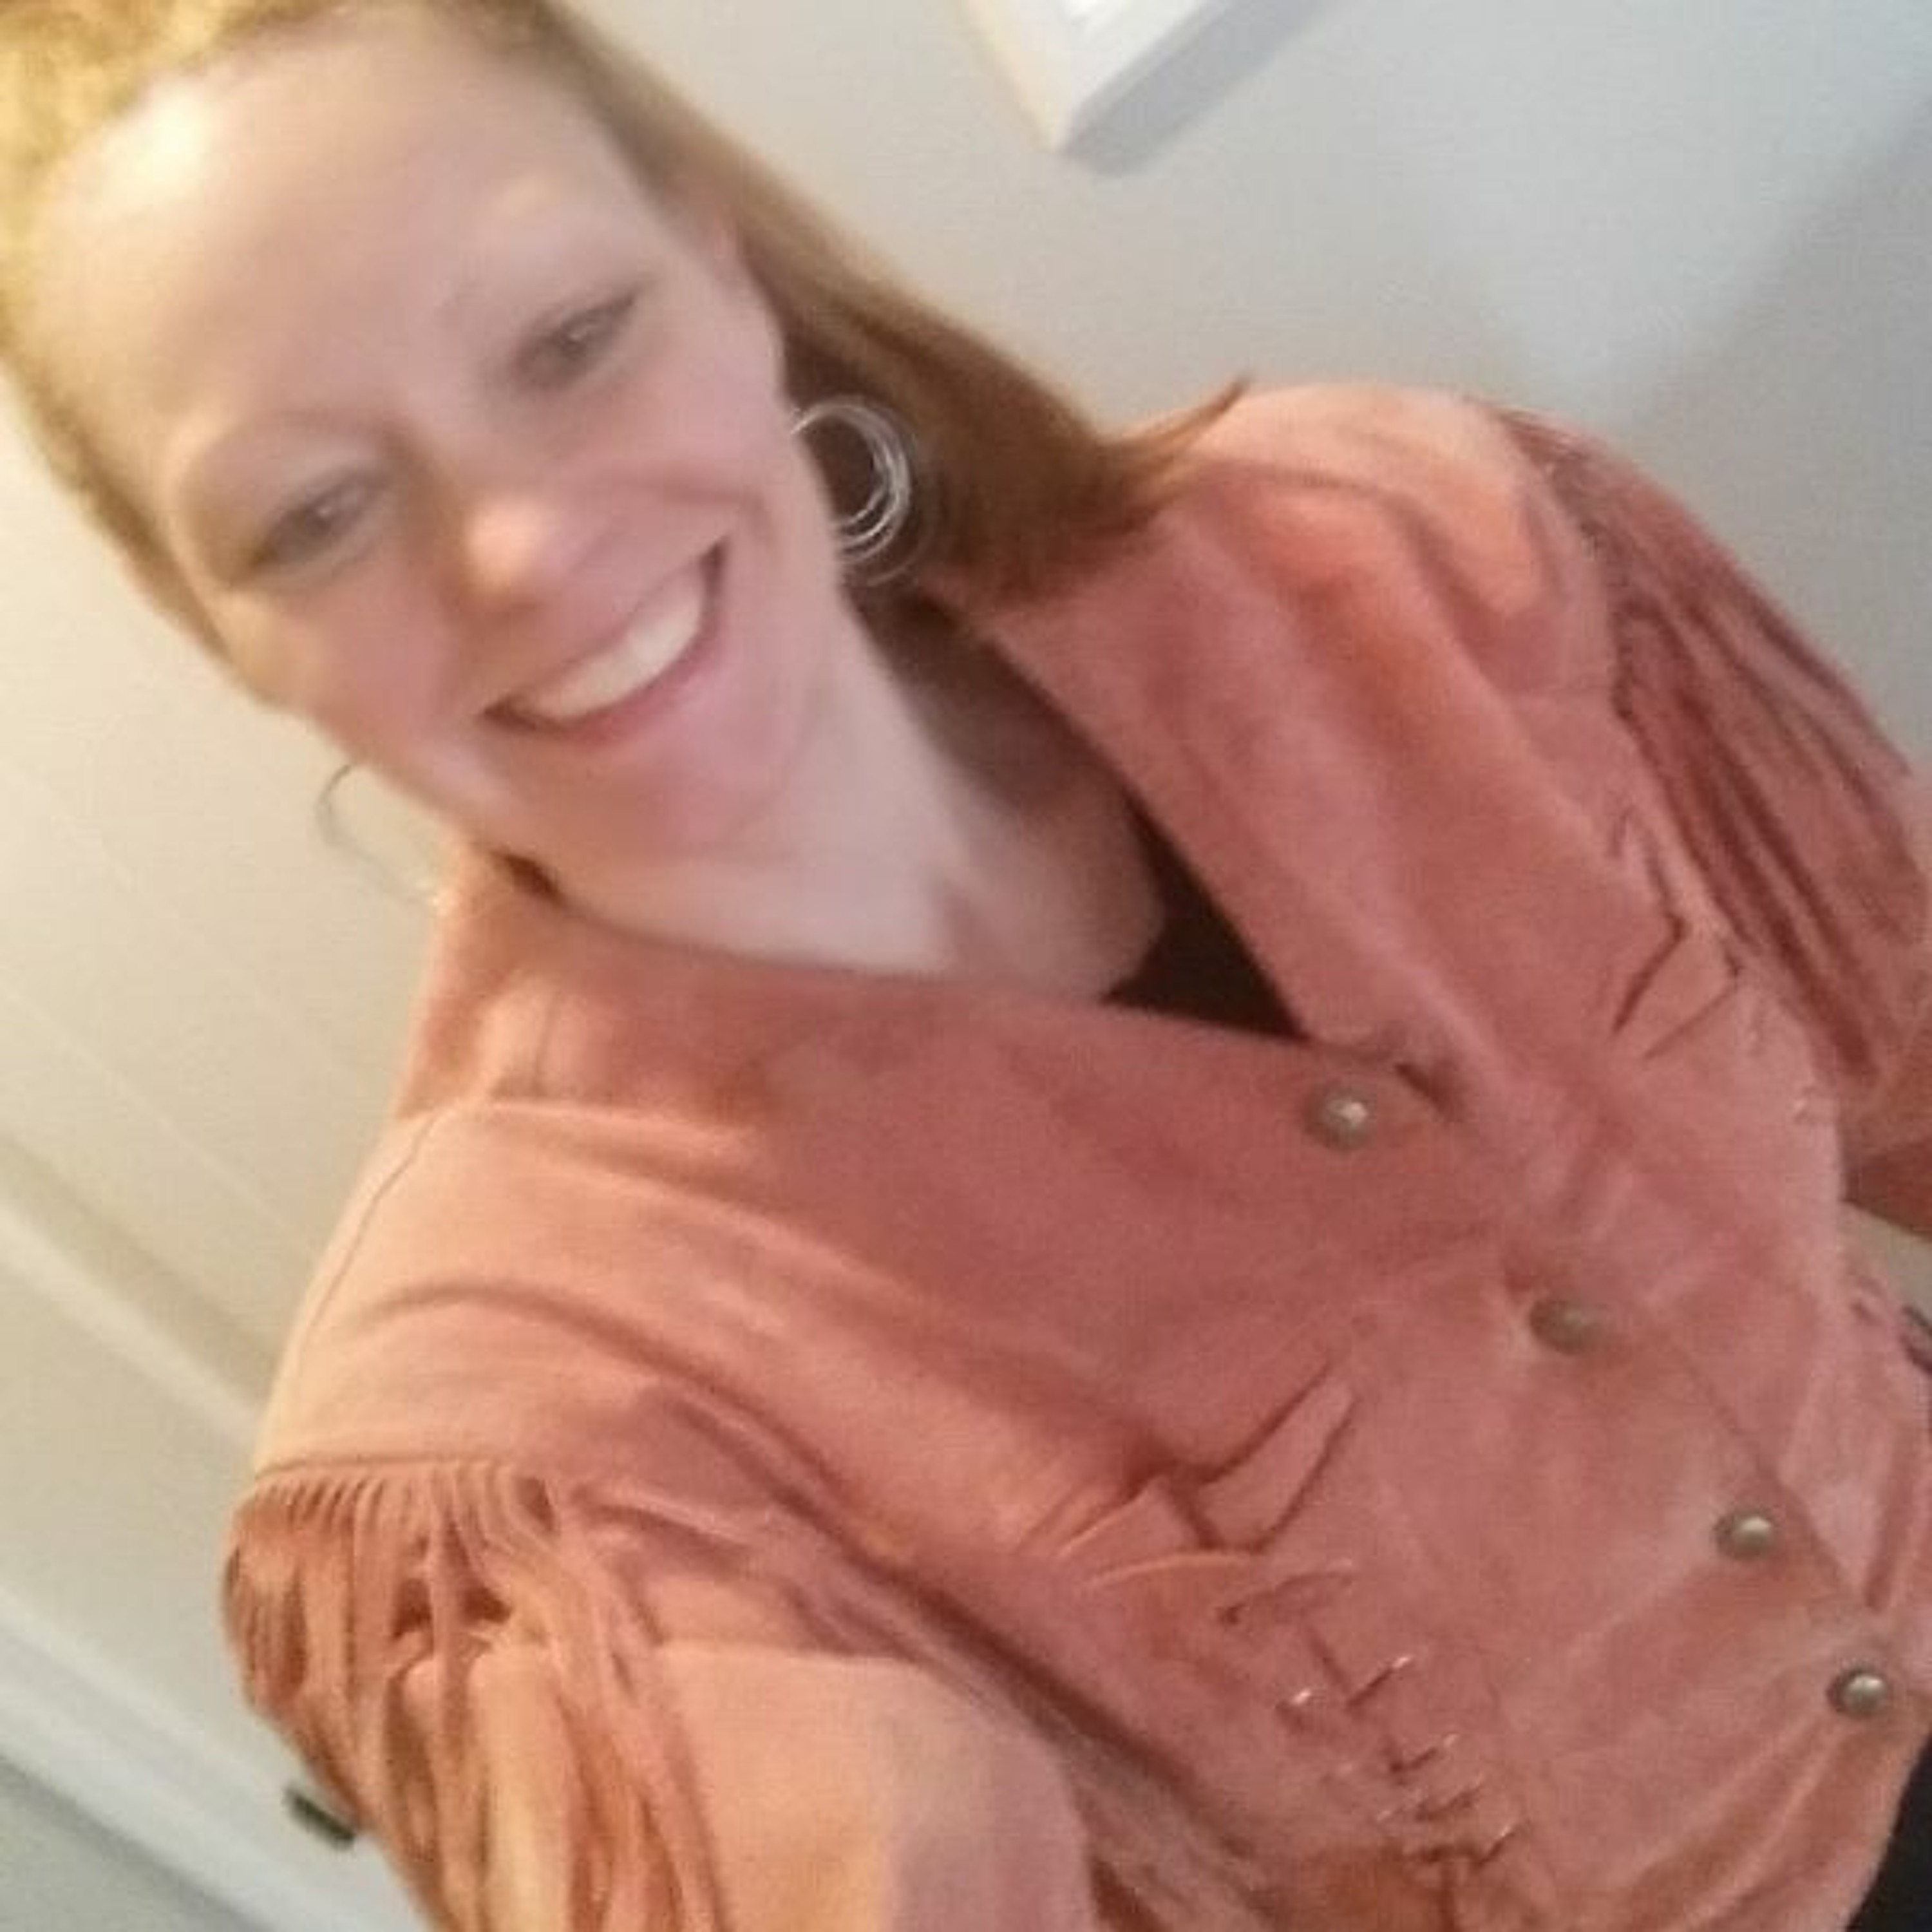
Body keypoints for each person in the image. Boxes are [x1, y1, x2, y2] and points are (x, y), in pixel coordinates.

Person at [3, 1, 1928, 1926]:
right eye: (317, 514)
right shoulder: (538, 1456)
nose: (524, 550)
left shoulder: (1412, 553)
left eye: (571, 340)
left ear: (721, 265)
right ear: (214, 629)